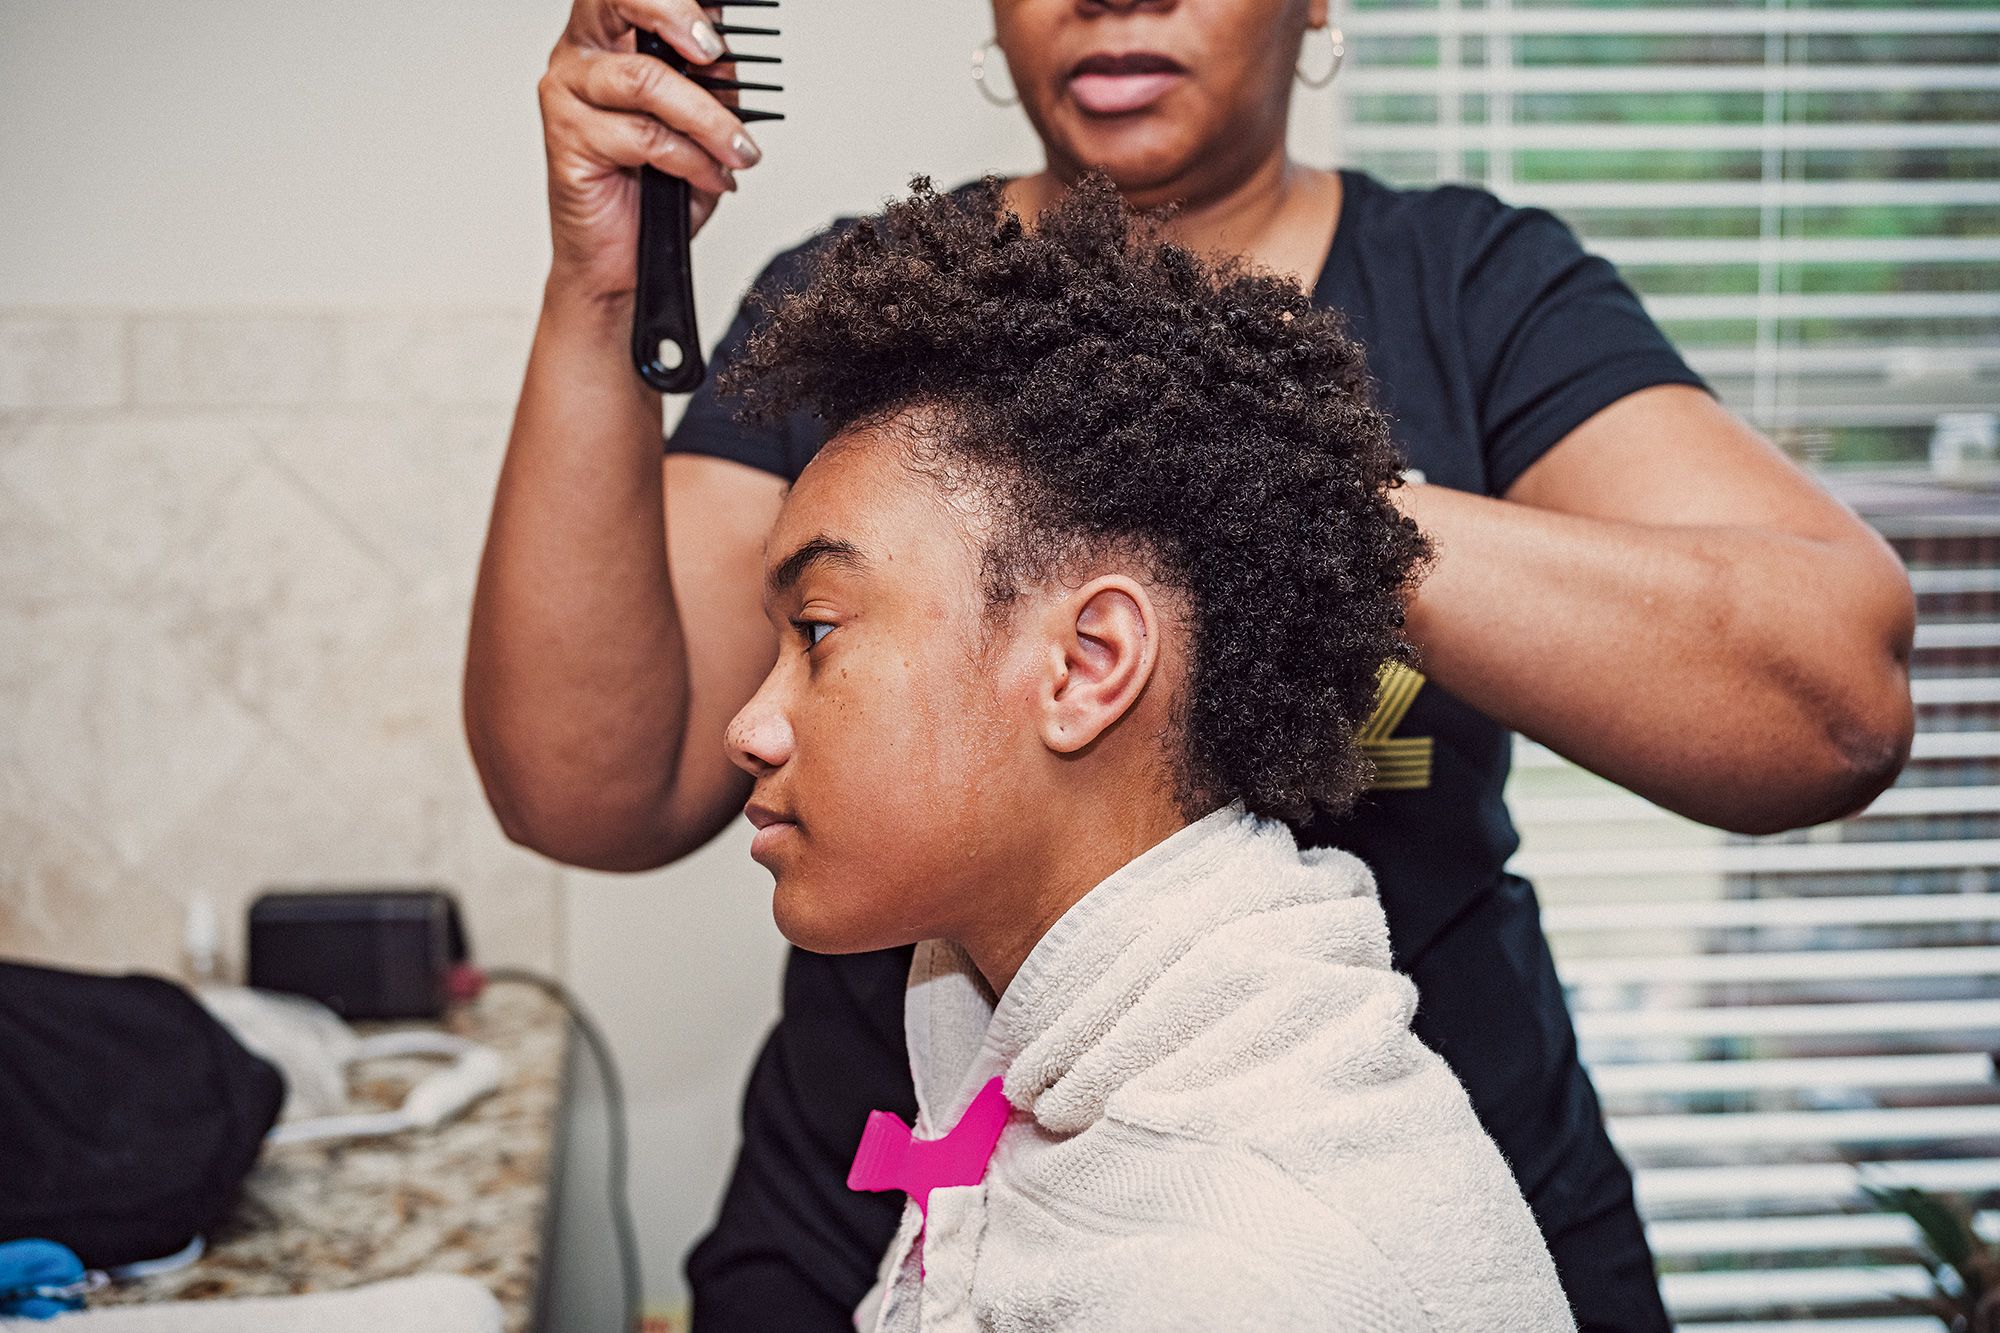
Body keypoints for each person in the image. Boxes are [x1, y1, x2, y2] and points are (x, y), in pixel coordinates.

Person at [465, 1, 1919, 1328]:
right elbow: (595, 785)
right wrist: (596, 288)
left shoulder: (1474, 288)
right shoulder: (867, 312)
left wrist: (1258, 478)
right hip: (885, 1203)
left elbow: (1834, 704)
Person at [712, 174, 1574, 1331]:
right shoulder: (1016, 1065)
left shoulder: (1239, 1277)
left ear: (1085, 664)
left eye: (817, 632)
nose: (747, 727)